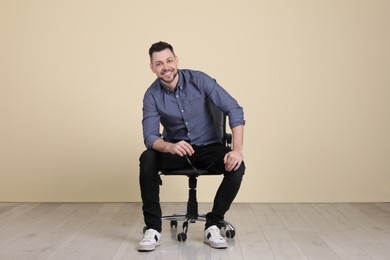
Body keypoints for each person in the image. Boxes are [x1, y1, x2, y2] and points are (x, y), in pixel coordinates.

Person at [138, 41, 246, 252]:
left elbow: (234, 109)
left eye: (169, 60)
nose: (166, 67)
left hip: (209, 148)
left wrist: (238, 150)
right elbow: (150, 137)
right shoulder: (151, 95)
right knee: (147, 157)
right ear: (152, 67)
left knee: (238, 165)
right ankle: (153, 229)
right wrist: (170, 147)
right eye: (159, 63)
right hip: (177, 150)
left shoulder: (200, 79)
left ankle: (213, 223)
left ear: (176, 60)